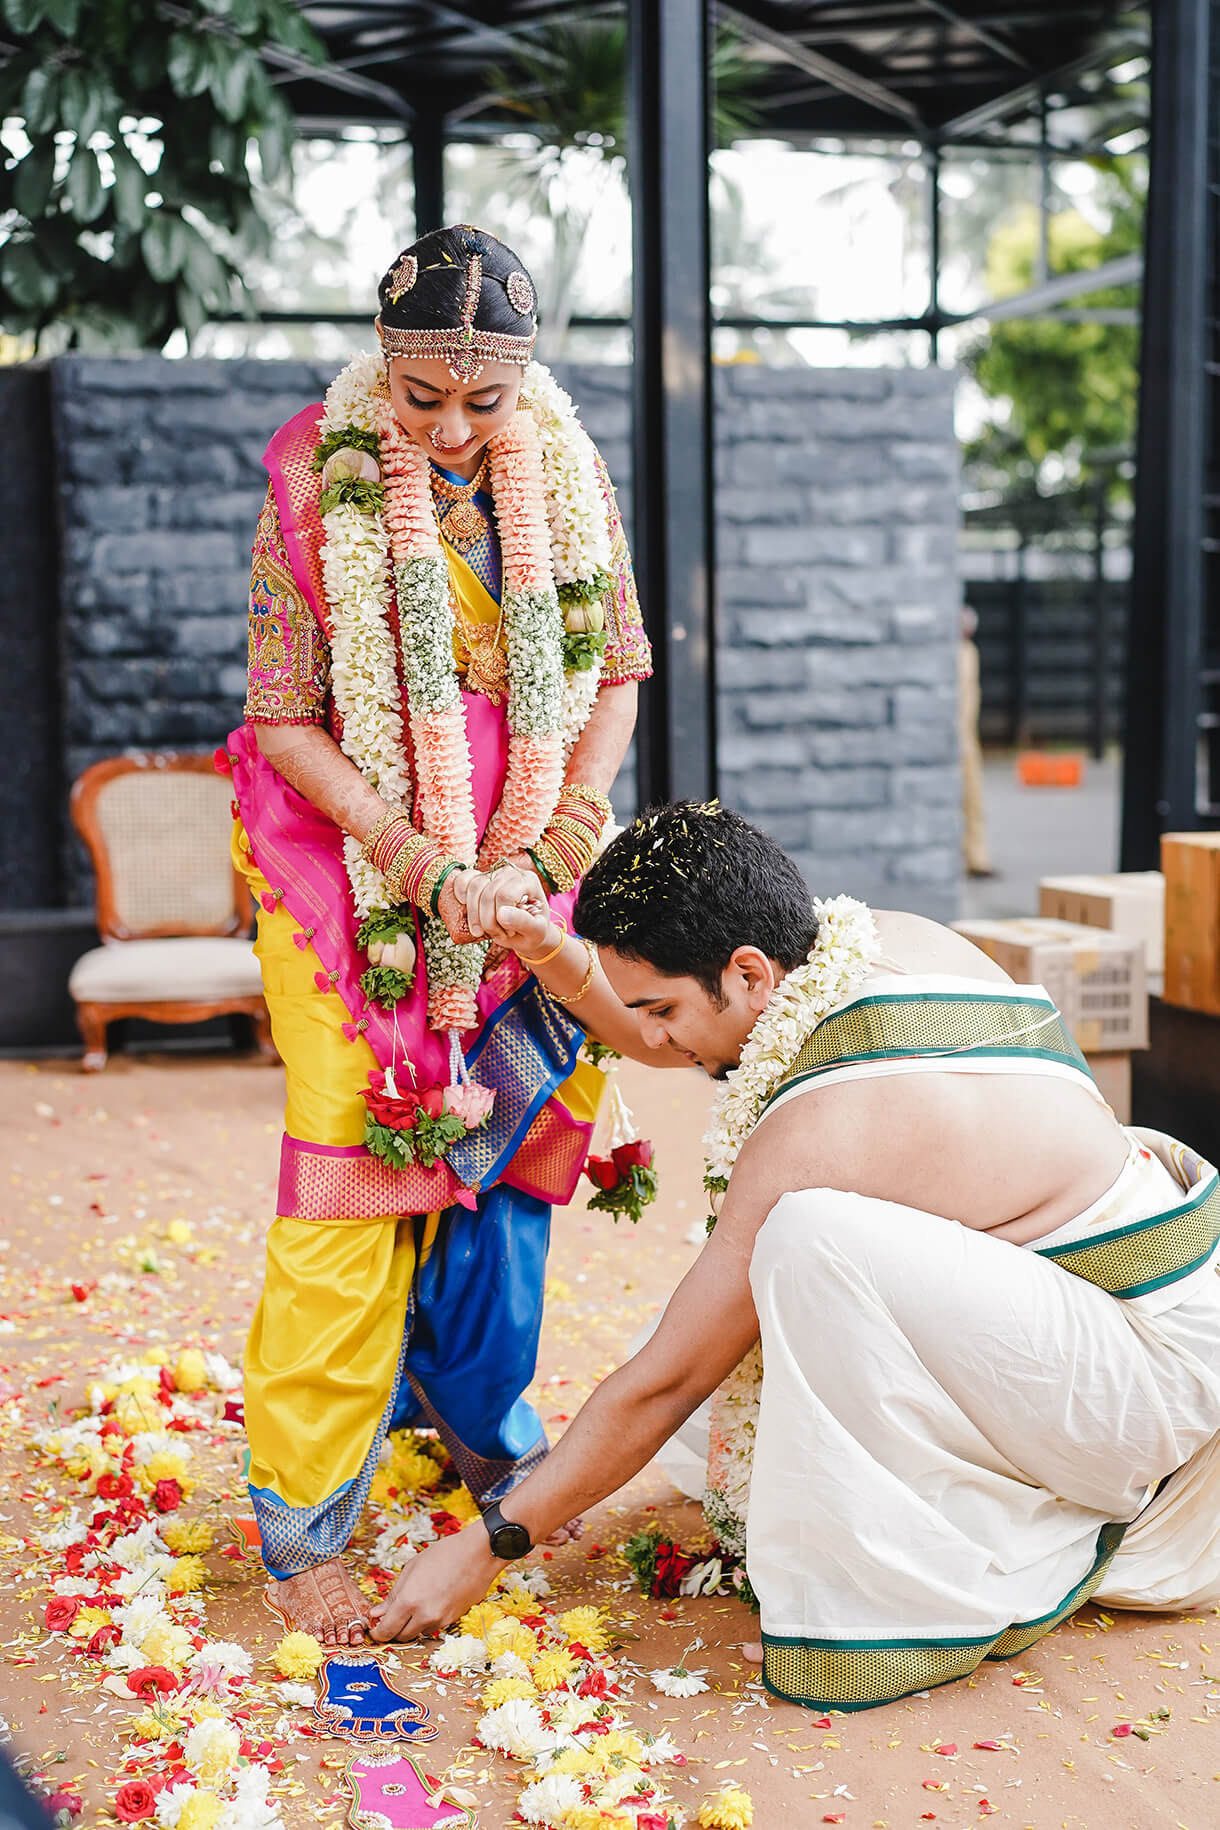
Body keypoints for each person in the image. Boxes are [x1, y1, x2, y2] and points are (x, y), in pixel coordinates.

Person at [368, 801, 1220, 1715]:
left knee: (802, 1246)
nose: (652, 1037)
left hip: (1139, 1395)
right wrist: (549, 947)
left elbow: (664, 1381)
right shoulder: (884, 941)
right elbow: (665, 1030)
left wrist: (486, 1546)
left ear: (748, 972)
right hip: (1118, 1311)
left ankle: (977, 1551)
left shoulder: (820, 1128)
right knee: (743, 1366)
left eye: (663, 1009)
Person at [223, 224, 656, 1641]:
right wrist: (413, 852)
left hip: (534, 866)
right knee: (358, 1167)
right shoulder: (311, 473)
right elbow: (284, 718)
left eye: (486, 401)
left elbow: (618, 678)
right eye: (424, 398)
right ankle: (302, 1525)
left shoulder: (573, 469)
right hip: (347, 876)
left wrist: (552, 841)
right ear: (383, 370)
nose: (455, 429)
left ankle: (475, 1418)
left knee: (521, 1145)